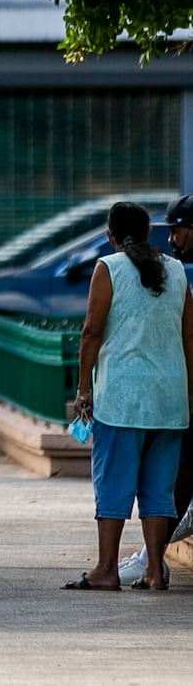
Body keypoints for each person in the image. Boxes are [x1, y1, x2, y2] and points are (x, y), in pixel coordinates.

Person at [63, 201, 193, 591]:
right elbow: (189, 335)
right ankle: (155, 570)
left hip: (122, 398)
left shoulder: (108, 268)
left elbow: (91, 332)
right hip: (169, 400)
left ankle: (106, 569)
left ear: (110, 236)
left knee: (115, 484)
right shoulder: (177, 271)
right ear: (150, 232)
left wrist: (83, 388)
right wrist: (188, 391)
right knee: (159, 489)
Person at [118, 193, 193, 582]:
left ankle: (153, 557)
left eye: (178, 230)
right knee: (178, 471)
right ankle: (152, 556)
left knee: (178, 475)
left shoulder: (181, 273)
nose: (173, 239)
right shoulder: (180, 271)